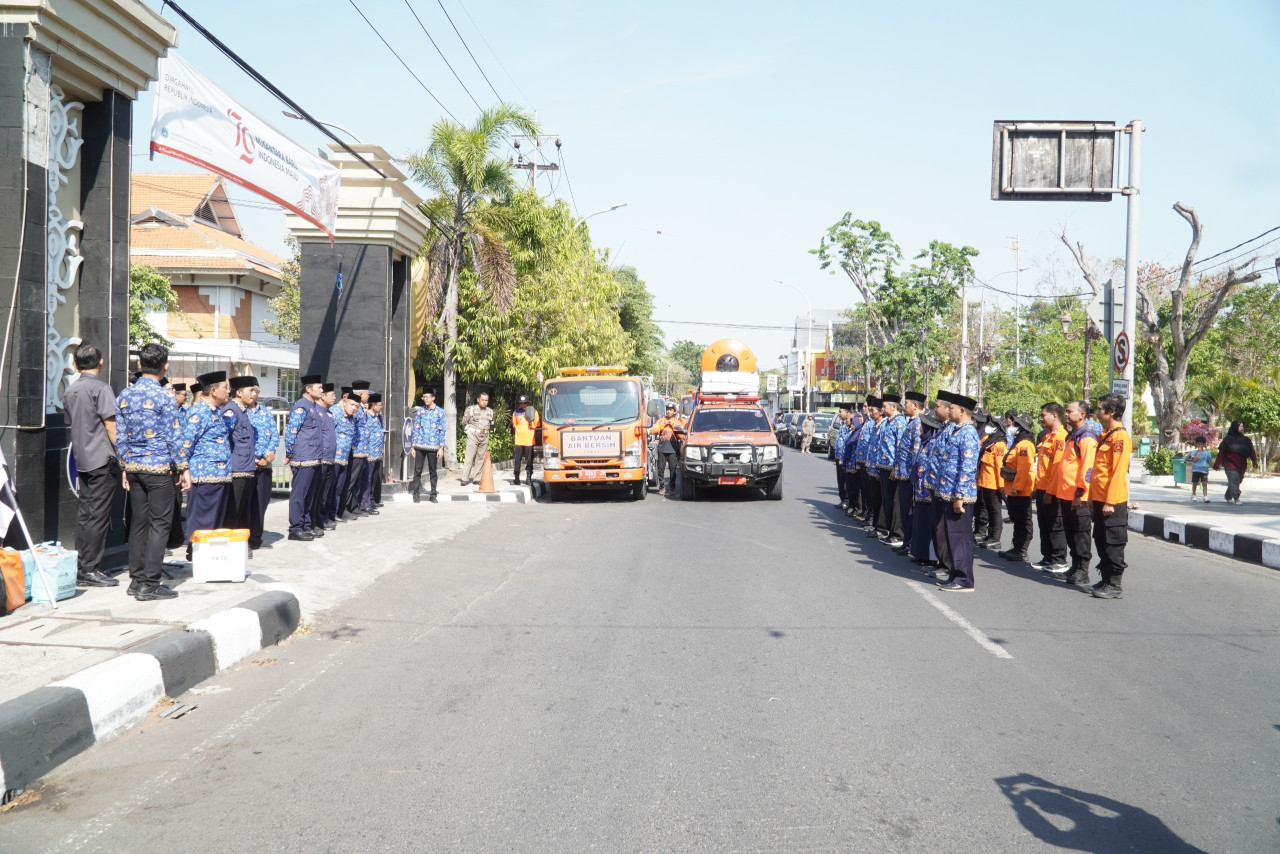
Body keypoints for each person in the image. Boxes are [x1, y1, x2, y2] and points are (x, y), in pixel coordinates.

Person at [115, 343, 187, 600]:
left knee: (138, 523)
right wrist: (183, 468)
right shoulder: (165, 396)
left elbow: (120, 437)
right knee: (160, 524)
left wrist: (125, 465)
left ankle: (136, 580)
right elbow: (174, 435)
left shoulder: (124, 395)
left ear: (139, 364)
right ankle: (150, 584)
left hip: (133, 467)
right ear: (165, 366)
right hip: (158, 469)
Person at [62, 344, 121, 588]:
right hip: (101, 459)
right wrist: (123, 454)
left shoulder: (71, 390)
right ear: (101, 362)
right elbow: (111, 426)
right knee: (97, 516)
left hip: (83, 459)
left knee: (86, 514)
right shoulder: (101, 388)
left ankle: (82, 564)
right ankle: (90, 568)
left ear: (75, 365)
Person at [180, 371, 233, 557]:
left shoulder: (216, 412)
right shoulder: (199, 412)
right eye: (225, 387)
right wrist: (184, 470)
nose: (228, 391)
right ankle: (196, 552)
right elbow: (186, 444)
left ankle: (208, 555)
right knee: (203, 517)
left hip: (220, 475)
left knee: (216, 520)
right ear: (213, 390)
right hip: (205, 475)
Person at [934, 392, 981, 592]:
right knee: (952, 537)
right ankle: (955, 575)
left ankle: (964, 579)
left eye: (952, 408)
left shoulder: (968, 432)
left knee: (960, 537)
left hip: (958, 495)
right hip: (948, 491)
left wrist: (960, 496)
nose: (949, 410)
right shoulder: (956, 430)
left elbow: (968, 467)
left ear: (962, 411)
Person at [1089, 393, 1132, 599]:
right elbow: (1098, 471)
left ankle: (1114, 584)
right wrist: (1092, 497)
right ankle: (1105, 579)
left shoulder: (1119, 437)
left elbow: (1117, 472)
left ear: (1112, 411)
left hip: (1112, 502)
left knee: (1113, 542)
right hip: (1099, 498)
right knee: (1101, 539)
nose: (1097, 412)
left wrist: (1109, 501)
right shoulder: (1105, 434)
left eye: (1100, 409)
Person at [1053, 400, 1100, 588]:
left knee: (1081, 534)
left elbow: (1087, 469)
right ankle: (1075, 565)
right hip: (1065, 494)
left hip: (1078, 496)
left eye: (1070, 411)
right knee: (1071, 533)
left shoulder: (1086, 437)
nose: (1066, 413)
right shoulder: (1073, 435)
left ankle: (1083, 570)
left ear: (1082, 414)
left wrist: (1080, 495)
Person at [284, 374, 326, 540]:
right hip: (303, 457)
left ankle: (306, 525)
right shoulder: (301, 406)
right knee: (299, 495)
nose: (322, 390)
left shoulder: (313, 406)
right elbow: (291, 431)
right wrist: (289, 452)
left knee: (310, 495)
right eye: (319, 387)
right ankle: (295, 528)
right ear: (308, 389)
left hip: (314, 457)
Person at [1034, 403, 1069, 574]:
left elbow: (1056, 468)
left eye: (1043, 415)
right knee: (1045, 524)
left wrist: (1050, 491)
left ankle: (1059, 560)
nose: (1041, 419)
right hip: (1041, 487)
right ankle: (1048, 557)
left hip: (1052, 490)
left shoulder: (1061, 437)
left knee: (1056, 525)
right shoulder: (1048, 436)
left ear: (1054, 416)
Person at [998, 413, 1038, 563]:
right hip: (1014, 488)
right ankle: (1016, 547)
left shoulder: (1025, 445)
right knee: (1017, 520)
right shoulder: (1018, 442)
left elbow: (1023, 468)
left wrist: (1017, 487)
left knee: (1023, 521)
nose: (1013, 427)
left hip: (1021, 490)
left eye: (1017, 425)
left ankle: (1021, 550)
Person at [926, 393, 958, 579]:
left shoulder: (954, 429)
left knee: (944, 528)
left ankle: (947, 565)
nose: (934, 409)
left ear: (948, 409)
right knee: (937, 527)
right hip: (936, 484)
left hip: (946, 487)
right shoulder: (944, 428)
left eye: (937, 406)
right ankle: (941, 562)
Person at [222, 375, 259, 531]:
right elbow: (224, 439)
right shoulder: (231, 411)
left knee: (242, 511)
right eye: (250, 390)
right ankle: (229, 544)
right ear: (238, 393)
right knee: (233, 511)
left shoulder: (242, 411)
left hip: (245, 467)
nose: (254, 394)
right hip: (236, 469)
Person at [892, 391, 925, 556]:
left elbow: (916, 452)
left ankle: (910, 543)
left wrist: (914, 476)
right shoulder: (911, 421)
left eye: (906, 403)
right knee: (905, 511)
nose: (903, 406)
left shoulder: (918, 423)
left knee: (910, 513)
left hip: (909, 476)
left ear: (915, 406)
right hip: (903, 473)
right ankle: (907, 542)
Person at [910, 408, 943, 568]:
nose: (919, 428)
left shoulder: (932, 443)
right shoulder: (924, 442)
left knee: (927, 524)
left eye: (922, 426)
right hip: (919, 490)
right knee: (920, 522)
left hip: (928, 490)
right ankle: (919, 553)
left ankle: (929, 557)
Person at [246, 385, 278, 549]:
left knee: (261, 502)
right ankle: (244, 539)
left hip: (265, 465)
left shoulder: (265, 412)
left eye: (257, 391)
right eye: (251, 391)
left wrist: (269, 454)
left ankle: (256, 538)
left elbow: (274, 434)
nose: (254, 394)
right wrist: (258, 457)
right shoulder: (240, 411)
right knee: (246, 504)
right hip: (247, 464)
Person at [875, 394, 906, 546]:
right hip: (883, 466)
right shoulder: (887, 422)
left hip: (893, 467)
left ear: (894, 407)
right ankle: (888, 530)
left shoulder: (900, 422)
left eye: (885, 406)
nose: (882, 409)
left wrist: (896, 467)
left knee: (895, 502)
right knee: (886, 501)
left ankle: (898, 534)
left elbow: (900, 447)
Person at [975, 412, 1008, 550]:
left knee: (995, 512)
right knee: (988, 510)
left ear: (998, 428)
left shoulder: (999, 445)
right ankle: (989, 535)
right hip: (985, 483)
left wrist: (1001, 487)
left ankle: (995, 538)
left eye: (992, 425)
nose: (989, 426)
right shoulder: (989, 441)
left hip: (994, 484)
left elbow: (1000, 467)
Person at [408, 389, 447, 502]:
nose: (425, 399)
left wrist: (441, 447)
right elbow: (416, 428)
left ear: (433, 398)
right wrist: (413, 447)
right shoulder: (420, 411)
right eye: (423, 397)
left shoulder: (440, 412)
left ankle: (433, 494)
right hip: (420, 445)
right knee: (417, 470)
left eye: (427, 397)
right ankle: (416, 494)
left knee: (433, 471)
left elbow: (442, 430)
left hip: (433, 446)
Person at [310, 383, 338, 532]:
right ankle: (314, 521)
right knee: (317, 492)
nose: (334, 397)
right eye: (331, 394)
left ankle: (322, 518)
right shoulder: (316, 411)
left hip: (330, 458)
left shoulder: (329, 413)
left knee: (325, 492)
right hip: (320, 458)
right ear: (323, 396)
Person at [344, 380, 372, 515]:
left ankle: (354, 506)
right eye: (367, 394)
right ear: (361, 393)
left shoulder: (361, 409)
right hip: (355, 450)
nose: (368, 397)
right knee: (351, 480)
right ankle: (345, 507)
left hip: (362, 450)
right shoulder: (354, 409)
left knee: (358, 481)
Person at [1214, 420, 1258, 504]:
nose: (1242, 428)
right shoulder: (1228, 439)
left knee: (1237, 481)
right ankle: (1236, 498)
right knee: (1234, 481)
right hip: (1230, 464)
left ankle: (1228, 495)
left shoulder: (1246, 440)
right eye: (1240, 426)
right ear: (1235, 427)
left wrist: (1254, 462)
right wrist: (1217, 464)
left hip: (1241, 465)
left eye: (1242, 426)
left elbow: (1252, 451)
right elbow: (1221, 453)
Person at [330, 388, 358, 515]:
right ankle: (327, 515)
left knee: (340, 487)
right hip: (333, 458)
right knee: (331, 487)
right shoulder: (334, 412)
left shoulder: (352, 418)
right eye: (352, 405)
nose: (354, 408)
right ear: (345, 400)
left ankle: (335, 513)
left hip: (344, 458)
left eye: (356, 406)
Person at [650, 403, 686, 496]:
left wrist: (673, 425)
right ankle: (662, 487)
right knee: (661, 469)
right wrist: (664, 424)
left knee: (673, 469)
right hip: (662, 449)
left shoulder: (677, 422)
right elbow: (653, 431)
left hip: (673, 449)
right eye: (667, 409)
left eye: (671, 409)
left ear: (674, 412)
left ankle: (672, 488)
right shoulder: (661, 420)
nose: (669, 411)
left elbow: (682, 435)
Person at [460, 392, 495, 485]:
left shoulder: (490, 411)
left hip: (484, 436)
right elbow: (464, 422)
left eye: (486, 400)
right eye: (482, 400)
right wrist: (469, 431)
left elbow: (491, 424)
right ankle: (464, 478)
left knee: (481, 457)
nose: (484, 402)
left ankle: (477, 478)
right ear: (478, 400)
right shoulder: (471, 409)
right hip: (473, 435)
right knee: (469, 457)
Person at [359, 393, 385, 512]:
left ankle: (372, 500)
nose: (381, 407)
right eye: (379, 405)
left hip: (377, 454)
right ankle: (365, 504)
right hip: (369, 454)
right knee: (367, 480)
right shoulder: (366, 416)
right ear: (373, 405)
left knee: (374, 479)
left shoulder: (378, 416)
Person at [511, 395, 541, 485]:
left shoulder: (534, 412)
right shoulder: (516, 412)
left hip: (529, 440)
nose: (523, 405)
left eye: (525, 403)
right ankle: (516, 479)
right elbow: (515, 425)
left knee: (529, 460)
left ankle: (528, 478)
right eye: (521, 403)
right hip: (519, 440)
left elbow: (536, 425)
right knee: (517, 460)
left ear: (528, 403)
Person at [832, 406, 852, 509]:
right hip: (838, 455)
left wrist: (843, 457)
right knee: (840, 479)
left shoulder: (851, 424)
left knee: (845, 480)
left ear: (847, 413)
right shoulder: (842, 424)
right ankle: (842, 498)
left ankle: (846, 501)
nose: (839, 414)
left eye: (841, 412)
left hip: (844, 457)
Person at [1187, 437, 1213, 502]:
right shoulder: (1194, 452)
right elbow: (1194, 459)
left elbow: (1210, 462)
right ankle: (1194, 494)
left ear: (1205, 444)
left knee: (1204, 483)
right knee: (1195, 483)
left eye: (1202, 444)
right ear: (1196, 444)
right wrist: (1199, 452)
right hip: (1196, 470)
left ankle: (1205, 496)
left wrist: (1216, 466)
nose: (1200, 446)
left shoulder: (1207, 453)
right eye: (1199, 444)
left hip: (1204, 471)